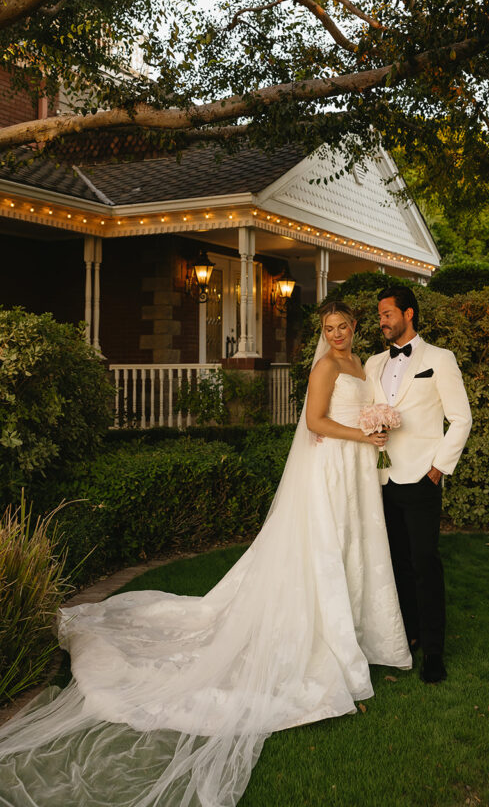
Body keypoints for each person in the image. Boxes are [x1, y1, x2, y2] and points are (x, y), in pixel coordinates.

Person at [0, 301, 410, 807]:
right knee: (326, 548)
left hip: (356, 468)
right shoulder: (326, 365)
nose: (339, 334)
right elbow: (316, 422)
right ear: (324, 333)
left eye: (344, 326)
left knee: (354, 546)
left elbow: (358, 409)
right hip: (333, 464)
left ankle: (354, 629)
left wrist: (377, 429)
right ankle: (326, 635)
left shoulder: (360, 363)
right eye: (330, 328)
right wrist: (363, 434)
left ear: (355, 327)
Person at [365, 286, 472, 684]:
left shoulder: (439, 359)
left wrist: (438, 469)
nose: (382, 321)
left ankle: (434, 652)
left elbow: (461, 419)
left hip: (422, 477)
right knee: (397, 565)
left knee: (426, 565)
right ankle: (405, 636)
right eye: (379, 315)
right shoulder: (373, 363)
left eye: (388, 313)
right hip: (382, 477)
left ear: (408, 313)